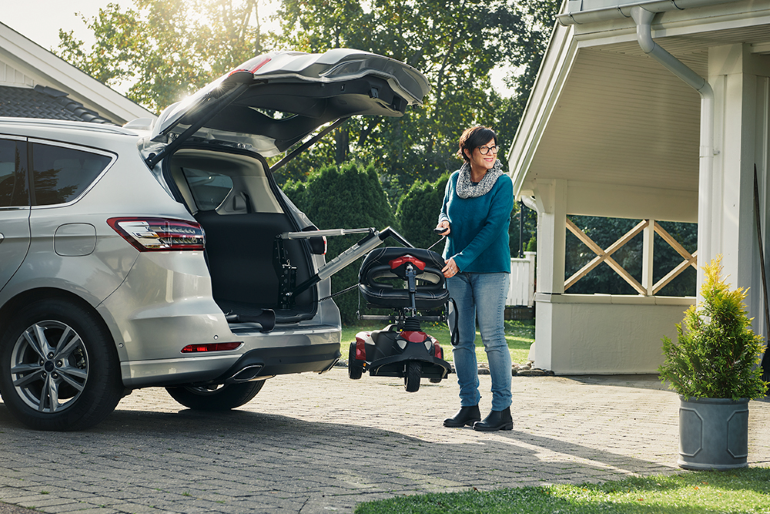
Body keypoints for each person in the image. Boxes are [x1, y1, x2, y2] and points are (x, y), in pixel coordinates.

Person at [436, 126, 514, 431]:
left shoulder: (502, 183)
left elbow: (494, 227)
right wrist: (444, 222)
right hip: (454, 268)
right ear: (468, 153)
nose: (492, 153)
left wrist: (461, 259)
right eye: (485, 149)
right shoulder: (455, 180)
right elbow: (446, 210)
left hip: (491, 269)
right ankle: (469, 406)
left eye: (494, 148)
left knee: (493, 339)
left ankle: (502, 410)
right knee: (460, 340)